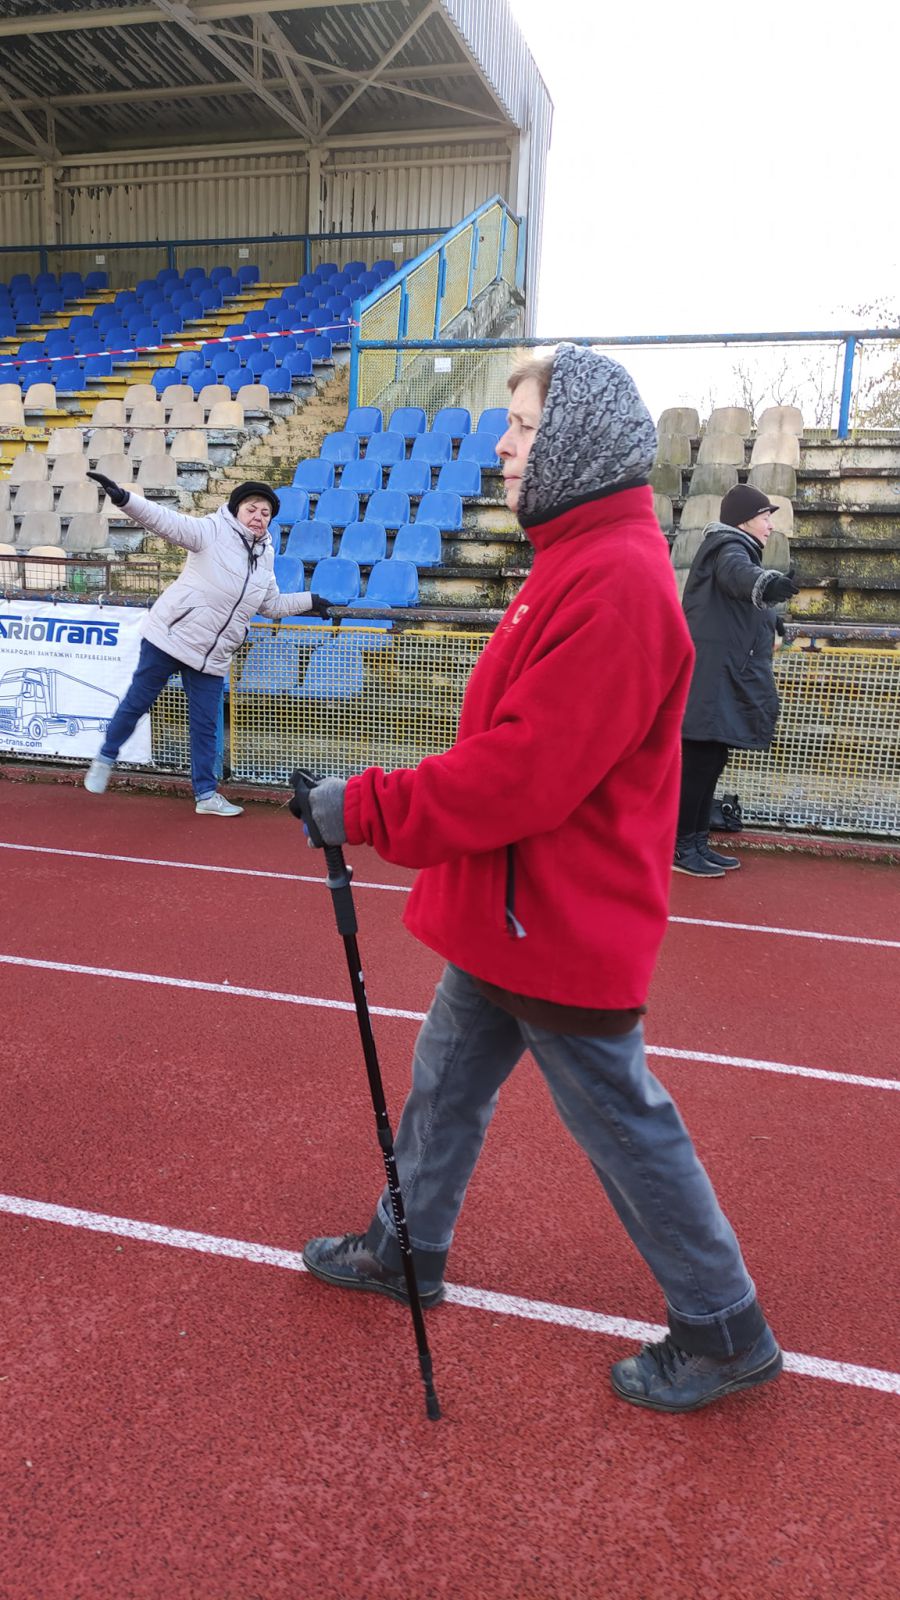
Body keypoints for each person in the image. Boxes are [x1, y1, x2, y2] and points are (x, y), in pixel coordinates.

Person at [298, 345, 783, 1414]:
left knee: (622, 1122)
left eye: (523, 425)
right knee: (444, 1085)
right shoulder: (577, 556)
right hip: (513, 908)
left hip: (557, 916)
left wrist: (370, 806)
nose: (505, 446)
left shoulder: (615, 580)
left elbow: (524, 771)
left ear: (574, 441)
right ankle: (405, 1246)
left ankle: (725, 1326)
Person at [83, 474, 331, 816]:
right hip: (171, 637)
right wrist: (125, 499)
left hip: (213, 653)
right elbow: (165, 521)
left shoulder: (265, 554)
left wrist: (309, 600)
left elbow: (270, 604)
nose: (258, 517)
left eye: (265, 513)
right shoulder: (211, 530)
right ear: (236, 509)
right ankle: (105, 757)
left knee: (205, 726)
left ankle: (206, 795)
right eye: (252, 509)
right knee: (139, 701)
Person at [674, 484, 798, 876]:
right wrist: (768, 584)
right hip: (710, 679)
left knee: (710, 762)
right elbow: (740, 578)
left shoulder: (733, 547)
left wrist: (773, 618)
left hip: (717, 677)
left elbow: (737, 598)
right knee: (700, 764)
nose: (770, 525)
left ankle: (696, 843)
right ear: (744, 520)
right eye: (764, 517)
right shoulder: (728, 547)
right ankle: (680, 847)